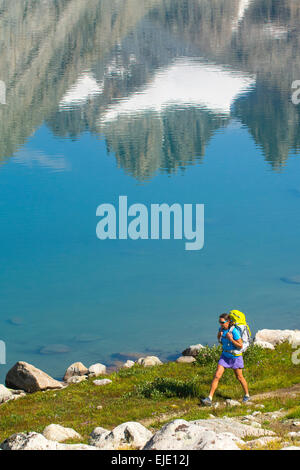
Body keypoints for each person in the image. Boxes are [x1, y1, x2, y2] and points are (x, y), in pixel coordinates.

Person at [201, 313, 250, 406]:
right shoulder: (221, 329)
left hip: (236, 357)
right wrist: (219, 336)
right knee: (217, 376)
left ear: (228, 322)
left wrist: (231, 339)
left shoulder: (234, 331)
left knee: (239, 377)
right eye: (219, 322)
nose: (220, 324)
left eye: (222, 322)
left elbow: (240, 345)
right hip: (225, 356)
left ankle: (247, 395)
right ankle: (209, 398)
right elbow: (220, 341)